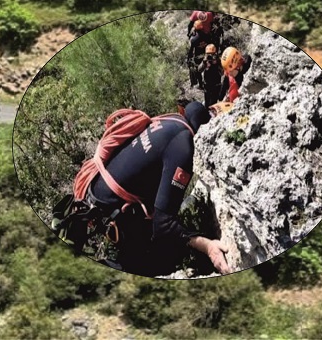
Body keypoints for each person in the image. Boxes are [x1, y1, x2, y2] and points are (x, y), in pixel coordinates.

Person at [59, 102, 232, 277]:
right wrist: (208, 246)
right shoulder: (183, 145)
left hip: (93, 196)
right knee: (156, 264)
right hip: (112, 211)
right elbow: (163, 224)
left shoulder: (170, 120)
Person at [200, 44, 223, 108]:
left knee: (213, 103)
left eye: (212, 54)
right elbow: (199, 70)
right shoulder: (205, 61)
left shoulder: (218, 60)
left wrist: (217, 63)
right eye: (208, 54)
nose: (210, 56)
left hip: (216, 85)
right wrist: (204, 63)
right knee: (207, 103)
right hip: (207, 85)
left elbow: (222, 72)